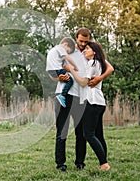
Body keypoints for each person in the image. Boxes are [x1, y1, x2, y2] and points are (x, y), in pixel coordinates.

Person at [53, 27, 114, 172]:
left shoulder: (90, 52)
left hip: (81, 98)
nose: (82, 44)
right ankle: (60, 164)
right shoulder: (67, 50)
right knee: (62, 131)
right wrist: (58, 77)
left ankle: (80, 163)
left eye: (85, 42)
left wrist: (99, 78)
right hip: (64, 95)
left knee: (81, 133)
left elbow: (110, 68)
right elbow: (53, 71)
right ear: (76, 38)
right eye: (81, 41)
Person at [64, 41, 111, 170]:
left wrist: (71, 71)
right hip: (99, 102)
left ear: (94, 52)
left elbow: (84, 82)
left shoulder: (92, 63)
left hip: (91, 102)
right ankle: (104, 161)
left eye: (88, 49)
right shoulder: (99, 63)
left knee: (88, 134)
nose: (85, 50)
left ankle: (104, 163)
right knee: (99, 135)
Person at [46, 37, 78, 107]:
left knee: (66, 79)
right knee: (70, 81)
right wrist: (75, 67)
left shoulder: (54, 50)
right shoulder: (60, 48)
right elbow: (68, 58)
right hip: (56, 69)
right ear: (65, 44)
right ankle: (62, 95)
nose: (67, 53)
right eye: (68, 51)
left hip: (50, 70)